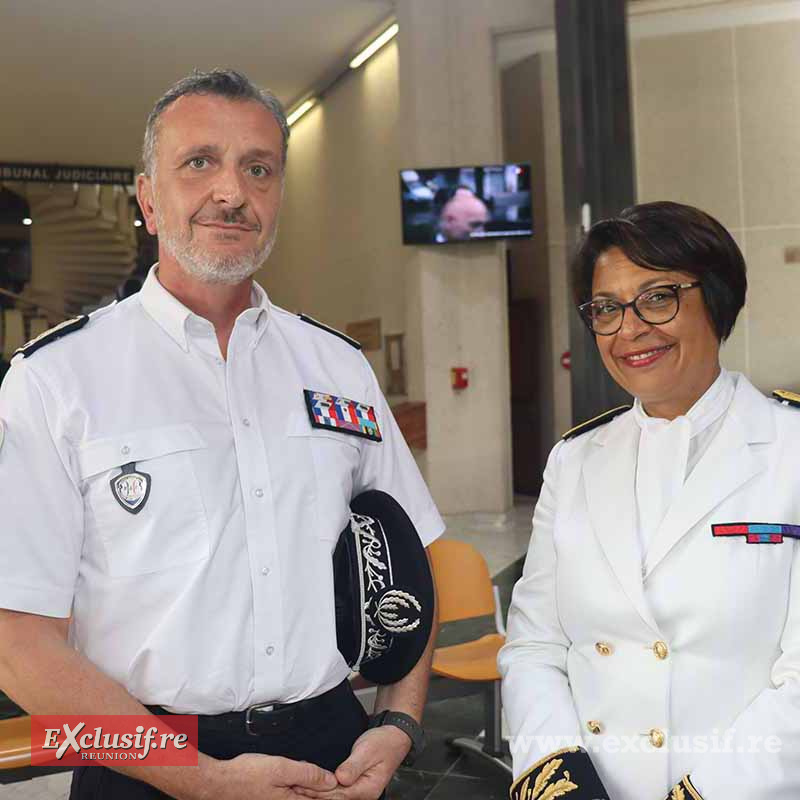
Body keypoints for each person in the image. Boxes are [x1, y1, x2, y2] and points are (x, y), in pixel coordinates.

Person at [0, 69, 444, 800]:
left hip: (333, 752)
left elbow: (412, 563)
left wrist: (399, 721)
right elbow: (17, 643)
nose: (232, 191)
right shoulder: (57, 380)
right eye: (199, 162)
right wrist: (198, 779)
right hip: (144, 758)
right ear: (148, 198)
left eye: (258, 168)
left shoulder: (337, 367)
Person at [498, 201, 800, 800]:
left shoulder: (789, 449)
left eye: (658, 298)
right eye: (607, 309)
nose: (629, 329)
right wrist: (557, 776)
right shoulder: (575, 459)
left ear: (716, 301)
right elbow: (536, 643)